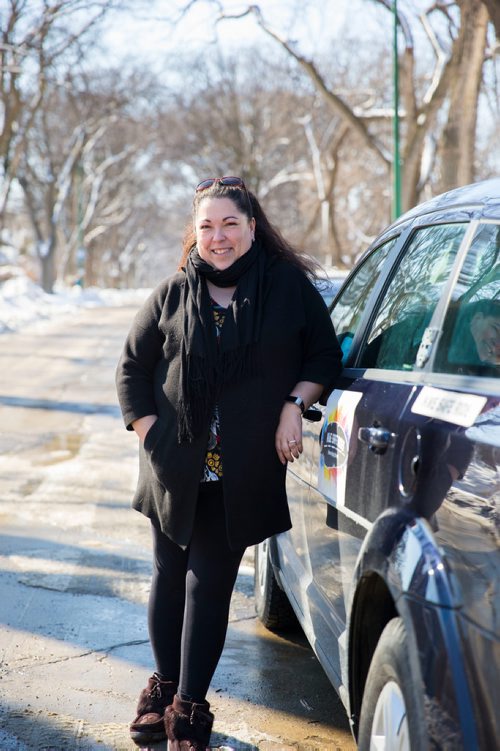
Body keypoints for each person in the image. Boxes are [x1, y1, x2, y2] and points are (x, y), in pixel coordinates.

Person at [115, 175, 343, 750]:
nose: (218, 237)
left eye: (230, 224)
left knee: (208, 582)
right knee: (169, 577)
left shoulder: (287, 287)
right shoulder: (172, 294)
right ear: (195, 234)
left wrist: (295, 406)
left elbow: (324, 355)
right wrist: (150, 434)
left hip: (240, 469)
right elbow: (131, 370)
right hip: (173, 465)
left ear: (252, 227)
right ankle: (163, 690)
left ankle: (189, 711)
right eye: (207, 226)